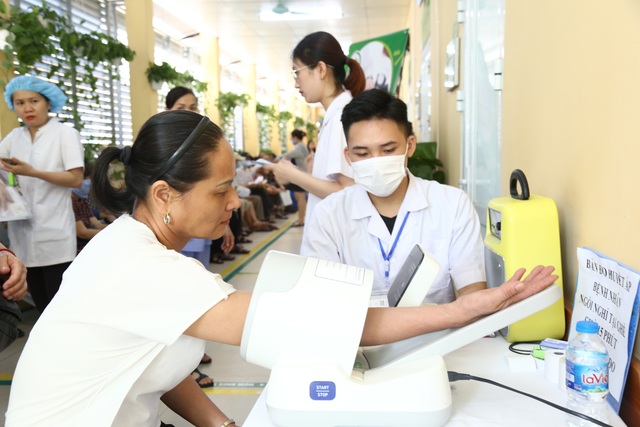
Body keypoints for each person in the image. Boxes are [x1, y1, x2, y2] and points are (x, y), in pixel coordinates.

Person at [5, 110, 557, 425]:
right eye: (223, 190)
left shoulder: (144, 248)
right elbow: (320, 325)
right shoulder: (139, 266)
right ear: (164, 194)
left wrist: (221, 424)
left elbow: (155, 352)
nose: (234, 202)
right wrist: (460, 311)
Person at [301, 89, 485, 304]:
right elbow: (320, 301)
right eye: (362, 154)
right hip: (360, 337)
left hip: (437, 336)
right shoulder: (329, 215)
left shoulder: (452, 205)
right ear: (348, 156)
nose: (376, 161)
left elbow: (473, 292)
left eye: (387, 150)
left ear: (410, 146)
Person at [0, 75, 84, 313]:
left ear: (48, 102)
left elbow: (75, 178)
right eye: (19, 102)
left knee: (59, 306)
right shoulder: (14, 137)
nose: (27, 108)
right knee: (41, 305)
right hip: (22, 234)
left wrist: (32, 172)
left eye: (33, 100)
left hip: (55, 231)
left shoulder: (64, 134)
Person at [267, 31, 366, 231]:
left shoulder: (342, 117)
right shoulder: (335, 114)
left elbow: (346, 190)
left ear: (320, 69)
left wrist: (294, 175)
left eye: (297, 72)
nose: (296, 83)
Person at [165, 86, 215, 386]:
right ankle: (184, 367)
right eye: (182, 107)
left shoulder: (200, 143)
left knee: (199, 290)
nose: (189, 112)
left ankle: (195, 352)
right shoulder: (162, 144)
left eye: (193, 106)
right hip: (175, 230)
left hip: (198, 230)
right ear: (168, 109)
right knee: (177, 294)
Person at [71, 164, 108, 253]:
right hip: (78, 249)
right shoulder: (70, 204)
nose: (88, 183)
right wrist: (109, 234)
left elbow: (96, 224)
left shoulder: (82, 202)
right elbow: (82, 233)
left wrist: (115, 228)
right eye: (86, 179)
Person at [280, 129, 309, 227]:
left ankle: (301, 220)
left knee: (300, 198)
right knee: (300, 197)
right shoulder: (302, 146)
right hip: (301, 174)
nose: (291, 139)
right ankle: (301, 218)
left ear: (295, 137)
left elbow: (288, 155)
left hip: (300, 175)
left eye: (291, 137)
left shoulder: (299, 147)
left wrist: (277, 158)